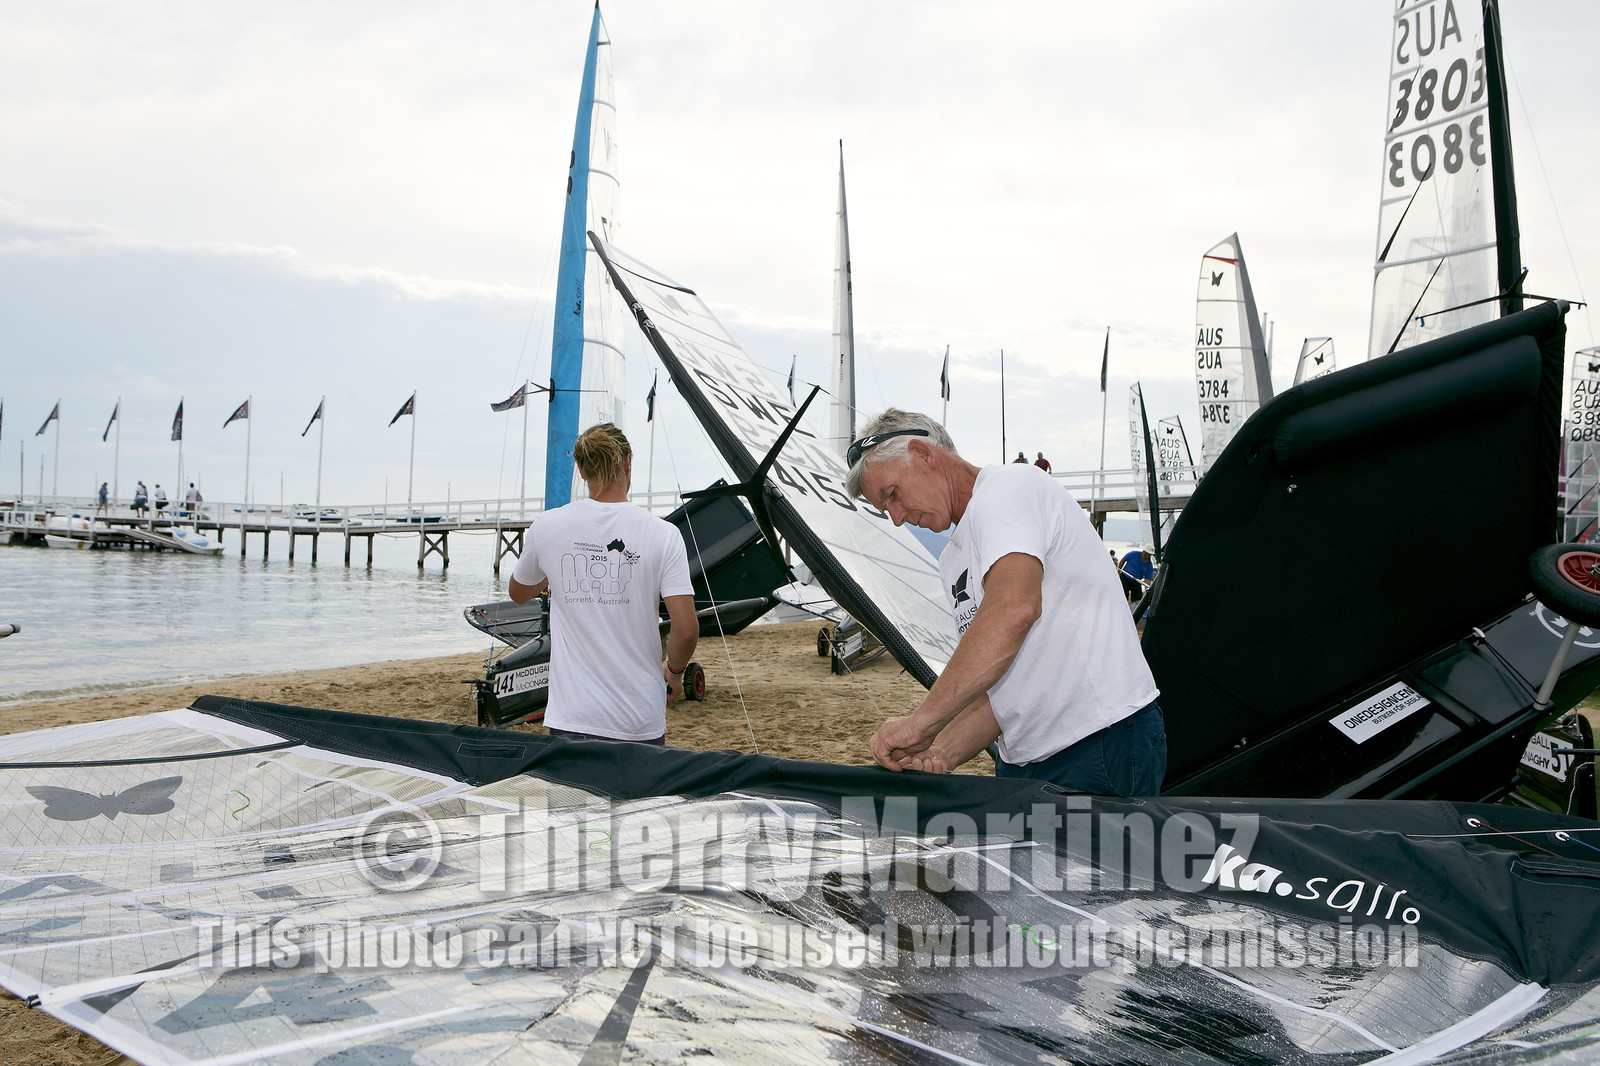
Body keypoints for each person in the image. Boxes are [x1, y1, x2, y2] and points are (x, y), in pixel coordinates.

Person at [845, 408, 1165, 795]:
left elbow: (1014, 610)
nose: (897, 518)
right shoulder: (952, 559)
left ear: (923, 454)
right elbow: (999, 684)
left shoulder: (1009, 489)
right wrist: (942, 752)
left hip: (1097, 740)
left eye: (893, 495)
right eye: (886, 510)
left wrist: (920, 724)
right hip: (1024, 763)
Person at [508, 423, 698, 744]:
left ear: (582, 470)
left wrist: (557, 566)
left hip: (572, 716)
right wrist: (675, 673)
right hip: (639, 718)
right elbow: (686, 629)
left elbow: (518, 592)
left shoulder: (547, 526)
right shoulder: (664, 534)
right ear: (628, 462)